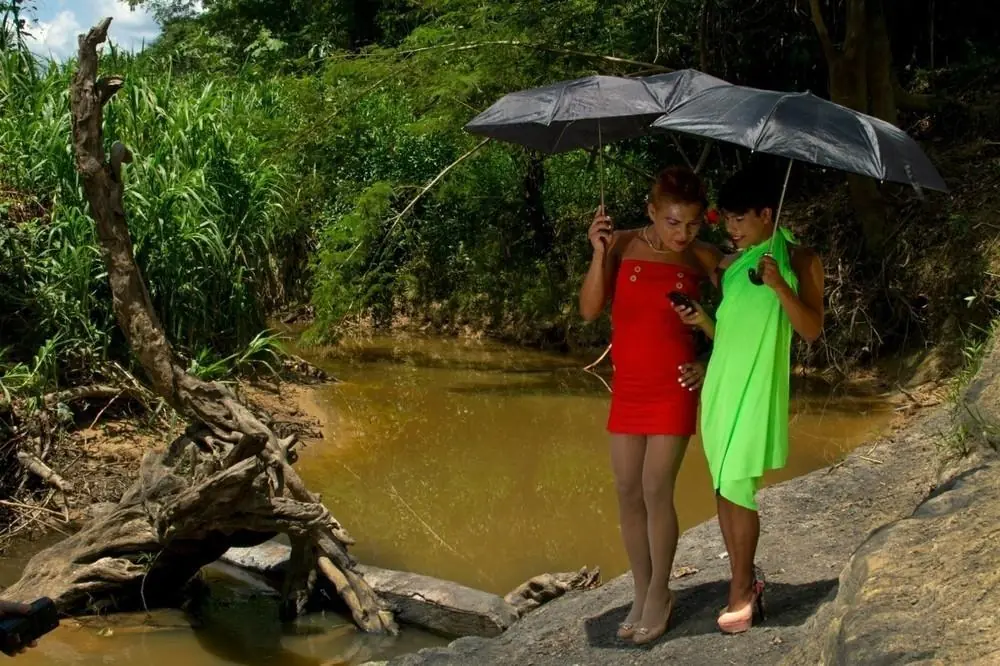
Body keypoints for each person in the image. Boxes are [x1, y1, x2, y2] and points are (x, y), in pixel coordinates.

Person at [579, 166, 720, 644]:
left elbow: (748, 316)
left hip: (674, 385)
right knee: (626, 489)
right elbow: (590, 310)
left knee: (656, 487)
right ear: (651, 212)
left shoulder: (704, 258)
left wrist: (710, 359)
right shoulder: (618, 243)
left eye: (693, 223)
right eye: (673, 222)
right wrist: (599, 254)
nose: (683, 234)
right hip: (630, 386)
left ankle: (660, 593)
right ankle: (640, 591)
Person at [692, 168, 824, 634]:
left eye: (739, 219)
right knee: (723, 487)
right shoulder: (734, 264)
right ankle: (742, 578)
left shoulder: (800, 259)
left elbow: (810, 330)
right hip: (720, 389)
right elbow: (727, 332)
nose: (731, 228)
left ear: (768, 214)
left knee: (737, 484)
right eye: (726, 219)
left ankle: (742, 591)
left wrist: (780, 286)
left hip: (756, 389)